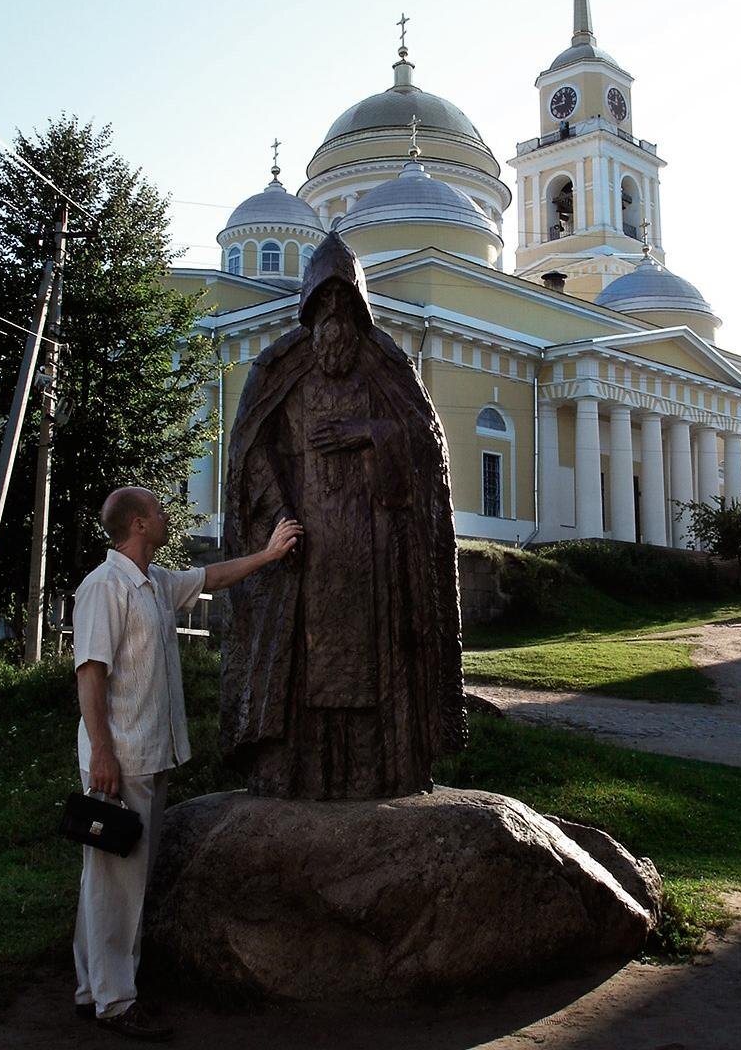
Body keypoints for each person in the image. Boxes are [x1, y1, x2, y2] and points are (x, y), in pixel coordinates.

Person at [222, 231, 466, 801]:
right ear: (308, 309)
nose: (333, 320)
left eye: (343, 306)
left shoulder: (386, 363)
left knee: (377, 668)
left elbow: (425, 444)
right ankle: (295, 773)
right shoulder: (278, 366)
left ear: (358, 308)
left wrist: (370, 434)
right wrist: (279, 516)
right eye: (322, 307)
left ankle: (383, 772)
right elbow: (250, 451)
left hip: (375, 557)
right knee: (299, 666)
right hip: (305, 553)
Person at [72, 486, 300, 1040]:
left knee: (105, 880)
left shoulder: (152, 582)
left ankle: (91, 988)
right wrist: (102, 751)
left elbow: (214, 577)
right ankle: (116, 1002)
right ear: (138, 525)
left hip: (149, 753)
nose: (167, 516)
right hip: (120, 759)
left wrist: (269, 555)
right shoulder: (105, 587)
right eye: (158, 511)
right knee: (118, 887)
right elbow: (90, 674)